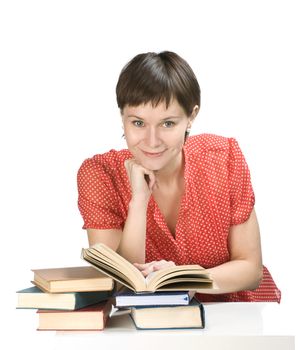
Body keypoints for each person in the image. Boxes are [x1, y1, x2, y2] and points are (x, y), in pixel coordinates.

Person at [77, 51, 281, 302]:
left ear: (191, 117)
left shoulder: (223, 158)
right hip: (154, 327)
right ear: (122, 118)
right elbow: (119, 283)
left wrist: (186, 279)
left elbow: (251, 270)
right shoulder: (99, 174)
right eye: (138, 123)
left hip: (238, 315)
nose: (152, 142)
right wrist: (138, 203)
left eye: (168, 123)